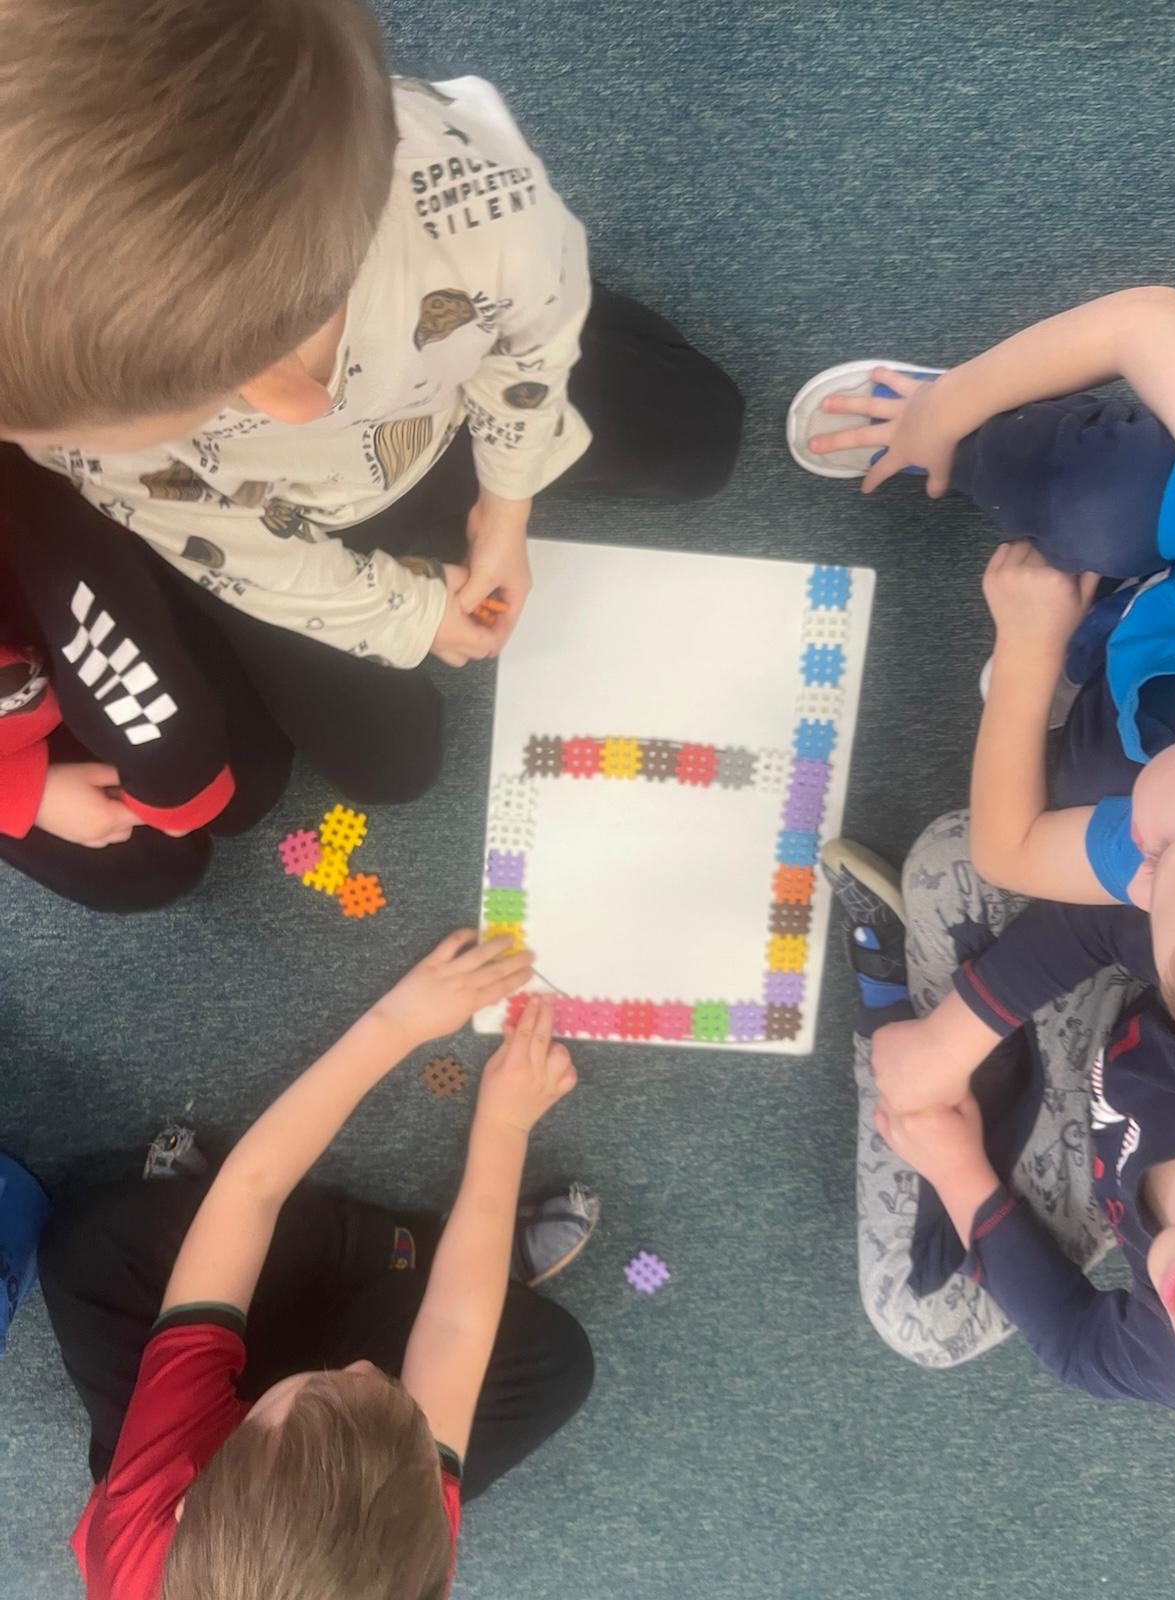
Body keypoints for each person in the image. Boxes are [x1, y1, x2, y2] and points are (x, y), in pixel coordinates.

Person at [0, 0, 744, 806]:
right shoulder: (78, 407)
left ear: (275, 391)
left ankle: (538, 315)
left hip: (449, 404)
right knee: (390, 770)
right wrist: (409, 614)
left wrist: (507, 508)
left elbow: (531, 354)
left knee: (704, 435)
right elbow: (234, 546)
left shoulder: (479, 195)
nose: (52, 454)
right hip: (283, 515)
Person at [38, 938, 596, 1600]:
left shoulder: (151, 1504)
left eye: (346, 1384)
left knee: (92, 1243)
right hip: (316, 1465)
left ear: (191, 1500)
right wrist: (505, 1127)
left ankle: (392, 1255)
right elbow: (455, 1328)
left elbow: (251, 1192)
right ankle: (413, 1254)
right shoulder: (398, 1550)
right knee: (554, 1361)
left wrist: (397, 1022)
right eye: (391, 1399)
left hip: (167, 1440)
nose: (362, 1369)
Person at [791, 286, 1175, 1040]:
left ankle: (1100, 630)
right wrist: (946, 409)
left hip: (1164, 646)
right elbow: (1147, 322)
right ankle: (966, 440)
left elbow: (1008, 854)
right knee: (1107, 498)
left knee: (1091, 786)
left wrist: (1026, 653)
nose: (1135, 868)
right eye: (1163, 856)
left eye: (1148, 886)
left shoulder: (1169, 865)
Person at [822, 824, 1175, 1408]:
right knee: (951, 866)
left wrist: (959, 1173)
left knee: (923, 1318)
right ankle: (929, 1038)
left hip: (1096, 1165)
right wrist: (952, 1040)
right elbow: (1120, 921)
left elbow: (1075, 1344)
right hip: (1127, 989)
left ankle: (895, 1006)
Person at [0, 447, 291, 911]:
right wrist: (24, 794)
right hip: (18, 741)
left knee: (250, 782)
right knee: (148, 870)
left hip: (50, 594)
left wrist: (177, 773)